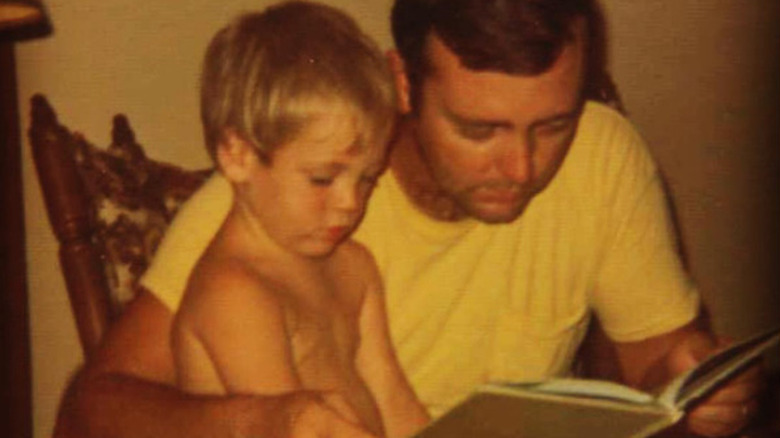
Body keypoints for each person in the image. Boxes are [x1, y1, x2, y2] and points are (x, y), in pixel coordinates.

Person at [54, 1, 764, 437]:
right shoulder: (272, 208)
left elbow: (660, 364)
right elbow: (88, 415)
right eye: (478, 129)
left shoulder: (604, 154)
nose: (521, 168)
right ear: (402, 83)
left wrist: (702, 389)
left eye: (552, 125)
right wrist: (256, 424)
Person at [168, 3, 428, 438]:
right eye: (322, 178)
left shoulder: (354, 266)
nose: (349, 202)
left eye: (368, 178)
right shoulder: (234, 294)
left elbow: (393, 400)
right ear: (238, 155)